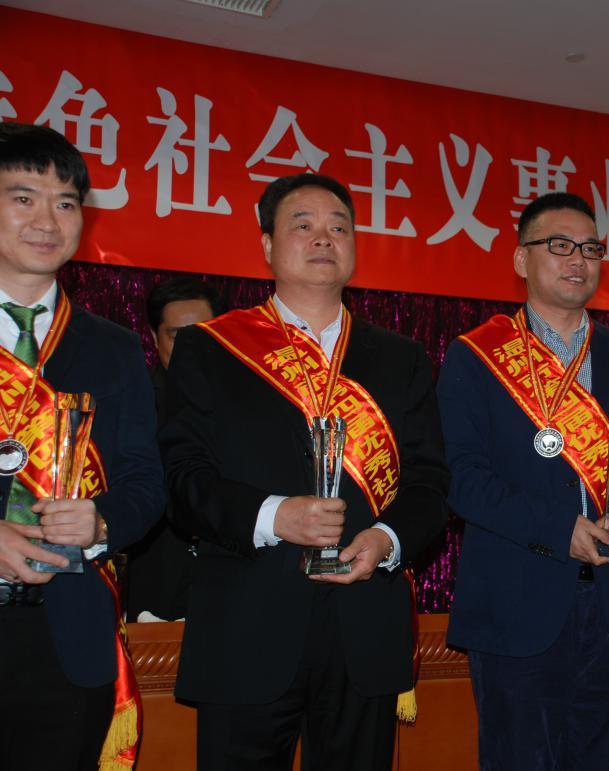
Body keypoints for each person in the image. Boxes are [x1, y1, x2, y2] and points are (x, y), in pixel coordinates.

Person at [161, 173, 449, 770]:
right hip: (246, 626)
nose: (324, 237)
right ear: (267, 245)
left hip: (365, 626)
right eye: (304, 225)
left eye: (339, 226)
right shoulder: (212, 348)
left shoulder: (401, 358)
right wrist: (274, 516)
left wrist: (386, 539)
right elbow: (183, 480)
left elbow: (429, 482)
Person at [438, 191, 609, 770]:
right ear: (521, 259)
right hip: (517, 606)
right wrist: (559, 529)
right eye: (560, 245)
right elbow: (463, 479)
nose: (579, 260)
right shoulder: (477, 355)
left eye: (591, 248)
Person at [0, 122, 165, 768]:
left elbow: (145, 481)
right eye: (24, 197)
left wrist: (101, 522)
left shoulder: (114, 348)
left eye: (65, 202)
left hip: (67, 635)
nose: (47, 219)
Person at [126, 276, 225, 622]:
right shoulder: (134, 403)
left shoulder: (251, 402)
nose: (190, 345)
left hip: (233, 583)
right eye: (175, 335)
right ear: (154, 338)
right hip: (158, 585)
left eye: (203, 332)